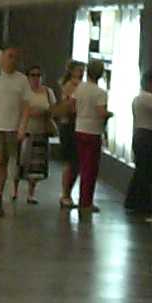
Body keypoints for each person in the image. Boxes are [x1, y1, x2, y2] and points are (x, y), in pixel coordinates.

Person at [0, 47, 32, 214]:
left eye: (16, 57)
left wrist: (22, 127)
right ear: (2, 59)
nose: (13, 60)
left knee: (4, 162)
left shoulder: (22, 80)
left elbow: (26, 106)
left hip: (12, 126)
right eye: (9, 57)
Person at [63, 58, 109, 213]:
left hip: (79, 129)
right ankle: (86, 202)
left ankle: (73, 196)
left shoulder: (80, 88)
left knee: (79, 164)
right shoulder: (101, 92)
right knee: (90, 169)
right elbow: (101, 112)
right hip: (93, 131)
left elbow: (71, 106)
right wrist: (109, 114)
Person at [125, 70, 152, 214]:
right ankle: (142, 202)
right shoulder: (148, 98)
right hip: (149, 136)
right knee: (146, 171)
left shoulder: (138, 98)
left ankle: (132, 200)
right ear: (150, 84)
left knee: (141, 169)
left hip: (139, 135)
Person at [16, 67, 55, 203]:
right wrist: (30, 112)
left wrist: (45, 113)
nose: (36, 78)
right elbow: (18, 109)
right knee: (20, 162)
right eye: (33, 75)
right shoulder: (23, 92)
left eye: (39, 75)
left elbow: (53, 109)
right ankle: (14, 190)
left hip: (41, 131)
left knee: (36, 166)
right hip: (24, 130)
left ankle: (31, 193)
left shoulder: (48, 92)